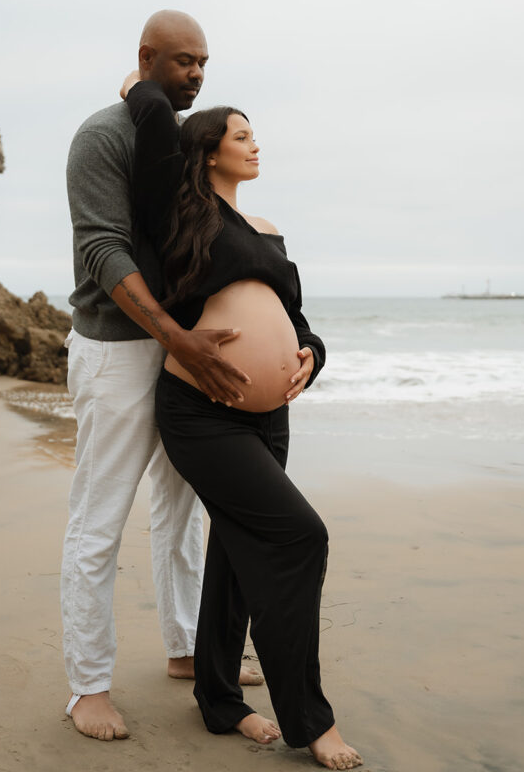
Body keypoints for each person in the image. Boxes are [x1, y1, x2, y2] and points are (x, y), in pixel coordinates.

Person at [121, 76, 363, 770]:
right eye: (241, 134)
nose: (255, 144)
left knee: (235, 551)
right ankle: (309, 720)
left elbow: (298, 321)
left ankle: (219, 697)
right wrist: (144, 90)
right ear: (206, 152)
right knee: (298, 537)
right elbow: (157, 132)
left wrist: (310, 356)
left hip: (268, 418)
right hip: (200, 412)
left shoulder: (266, 231)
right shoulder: (179, 210)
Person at [62, 11, 261, 742]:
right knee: (99, 518)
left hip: (179, 352)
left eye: (203, 62)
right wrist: (181, 337)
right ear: (147, 57)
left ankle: (183, 648)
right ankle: (86, 686)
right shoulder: (99, 138)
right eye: (182, 62)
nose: (197, 74)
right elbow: (105, 252)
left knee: (182, 511)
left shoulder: (177, 139)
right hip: (117, 350)